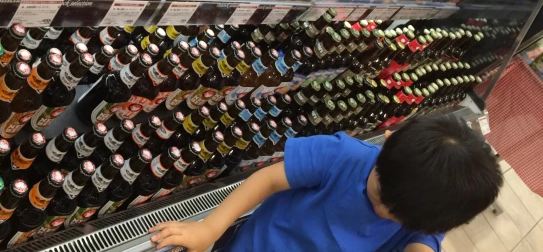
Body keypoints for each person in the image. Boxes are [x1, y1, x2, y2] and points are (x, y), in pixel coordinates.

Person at [149, 115, 503, 252]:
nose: (381, 210)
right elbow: (269, 180)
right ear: (387, 139)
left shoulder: (421, 209)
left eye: (396, 217)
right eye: (379, 192)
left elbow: (423, 244)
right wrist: (209, 228)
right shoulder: (342, 156)